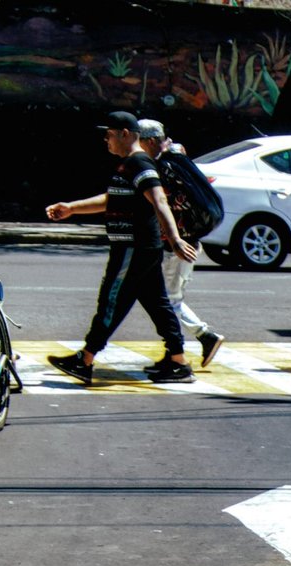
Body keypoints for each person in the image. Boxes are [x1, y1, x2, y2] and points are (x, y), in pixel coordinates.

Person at [45, 111, 199, 385]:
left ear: (125, 134)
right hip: (142, 248)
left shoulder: (139, 163)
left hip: (134, 247)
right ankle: (178, 362)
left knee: (111, 299)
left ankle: (85, 359)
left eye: (109, 135)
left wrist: (175, 239)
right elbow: (111, 200)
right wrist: (71, 208)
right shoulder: (130, 165)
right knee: (157, 303)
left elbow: (159, 200)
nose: (106, 140)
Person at [137, 118, 224, 370]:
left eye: (137, 140)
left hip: (178, 246)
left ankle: (178, 354)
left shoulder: (164, 167)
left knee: (167, 301)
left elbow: (166, 203)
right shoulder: (176, 158)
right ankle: (200, 339)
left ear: (149, 141)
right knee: (168, 299)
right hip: (186, 242)